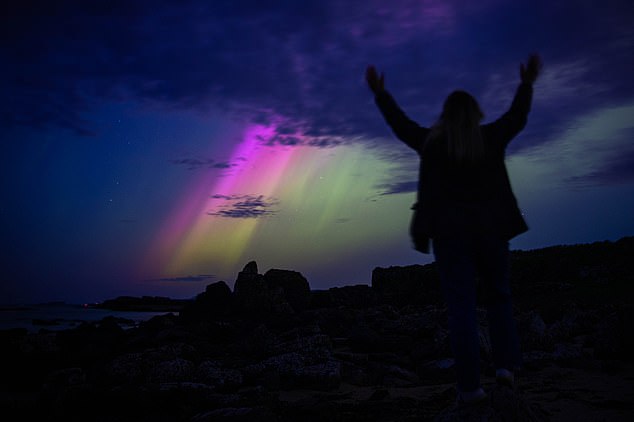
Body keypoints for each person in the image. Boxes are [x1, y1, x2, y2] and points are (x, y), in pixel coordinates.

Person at [366, 54, 542, 404]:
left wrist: (380, 94)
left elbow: (400, 125)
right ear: (476, 114)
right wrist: (526, 84)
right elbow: (516, 117)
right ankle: (505, 369)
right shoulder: (489, 138)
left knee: (461, 308)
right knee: (499, 297)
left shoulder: (432, 143)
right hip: (492, 230)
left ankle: (470, 388)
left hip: (450, 235)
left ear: (445, 116)